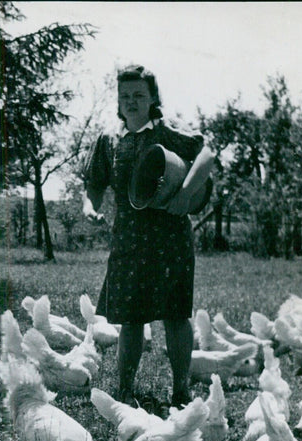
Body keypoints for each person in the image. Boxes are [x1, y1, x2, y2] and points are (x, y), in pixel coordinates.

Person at [82, 64, 215, 409]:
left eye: (139, 95)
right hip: (128, 240)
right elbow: (94, 183)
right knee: (130, 318)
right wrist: (90, 206)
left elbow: (207, 154)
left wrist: (185, 192)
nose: (131, 102)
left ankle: (181, 391)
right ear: (118, 100)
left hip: (170, 237)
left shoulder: (168, 132)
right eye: (125, 96)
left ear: (152, 97)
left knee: (175, 316)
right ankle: (125, 391)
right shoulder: (109, 141)